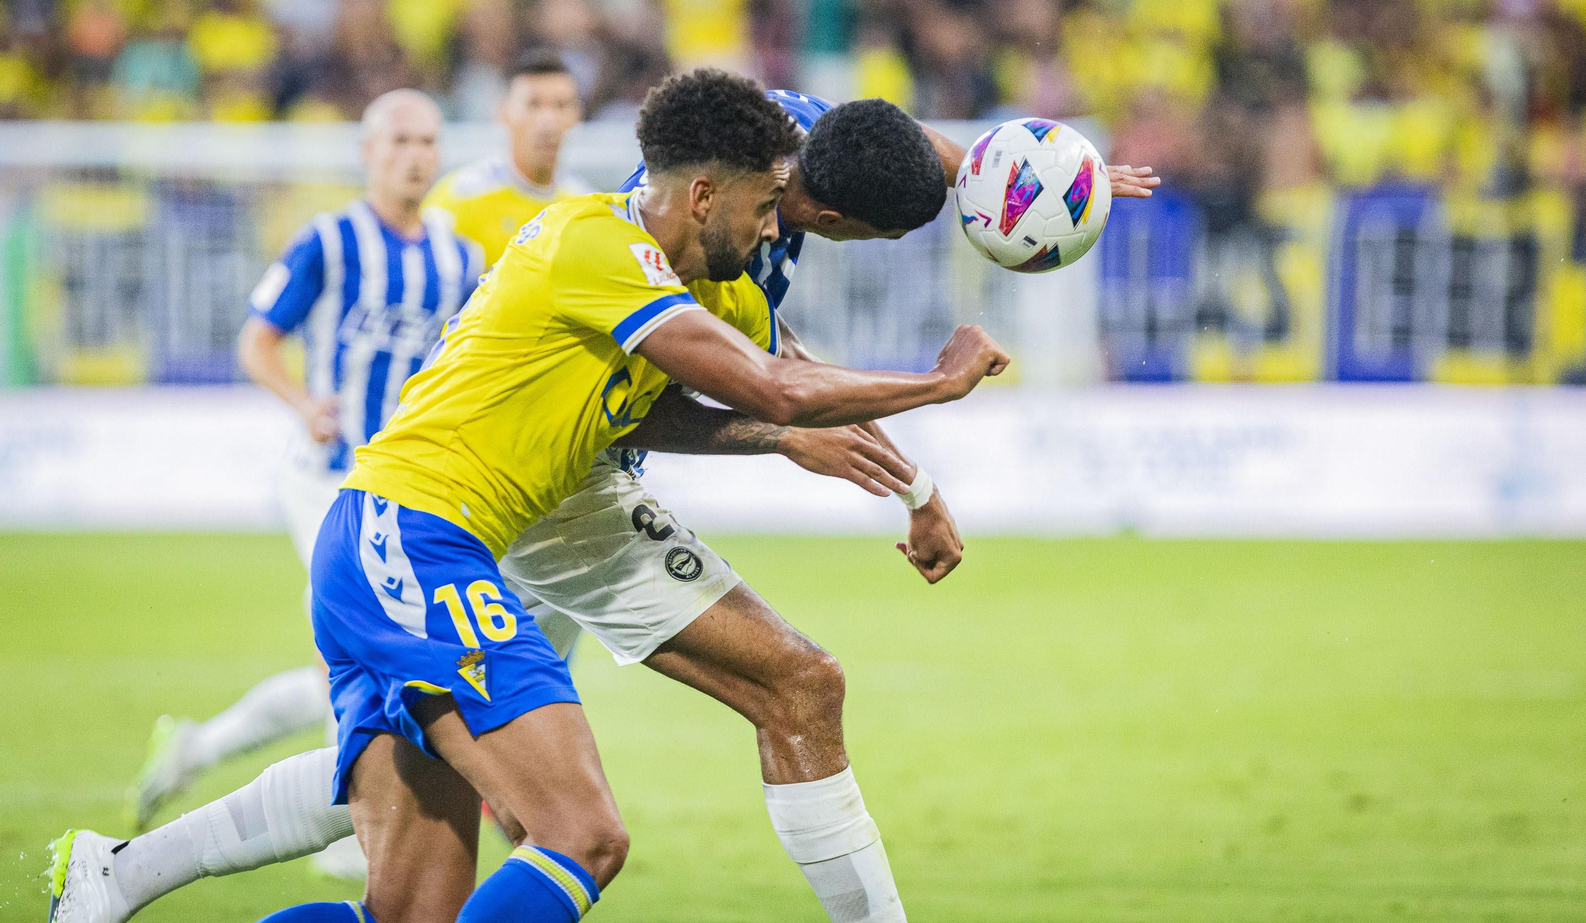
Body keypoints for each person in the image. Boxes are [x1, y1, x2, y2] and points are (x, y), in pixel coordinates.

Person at [47, 91, 1154, 923]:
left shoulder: (721, 238)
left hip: (500, 511)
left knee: (409, 894)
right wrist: (937, 380)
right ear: (732, 189)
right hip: (417, 526)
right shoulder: (606, 244)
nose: (781, 235)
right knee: (574, 826)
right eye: (777, 212)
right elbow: (772, 384)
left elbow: (698, 404)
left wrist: (1043, 169)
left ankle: (119, 873)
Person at [121, 89, 483, 878]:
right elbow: (258, 341)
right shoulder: (330, 239)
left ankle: (197, 748)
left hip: (408, 483)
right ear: (368, 153)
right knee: (373, 641)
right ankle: (360, 833)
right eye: (399, 141)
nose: (415, 154)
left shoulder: (460, 257)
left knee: (346, 664)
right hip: (325, 478)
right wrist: (302, 402)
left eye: (428, 139)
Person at [425, 49, 591, 269]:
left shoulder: (583, 204)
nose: (548, 120)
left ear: (577, 116)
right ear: (503, 113)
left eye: (561, 105)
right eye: (533, 104)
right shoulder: (460, 197)